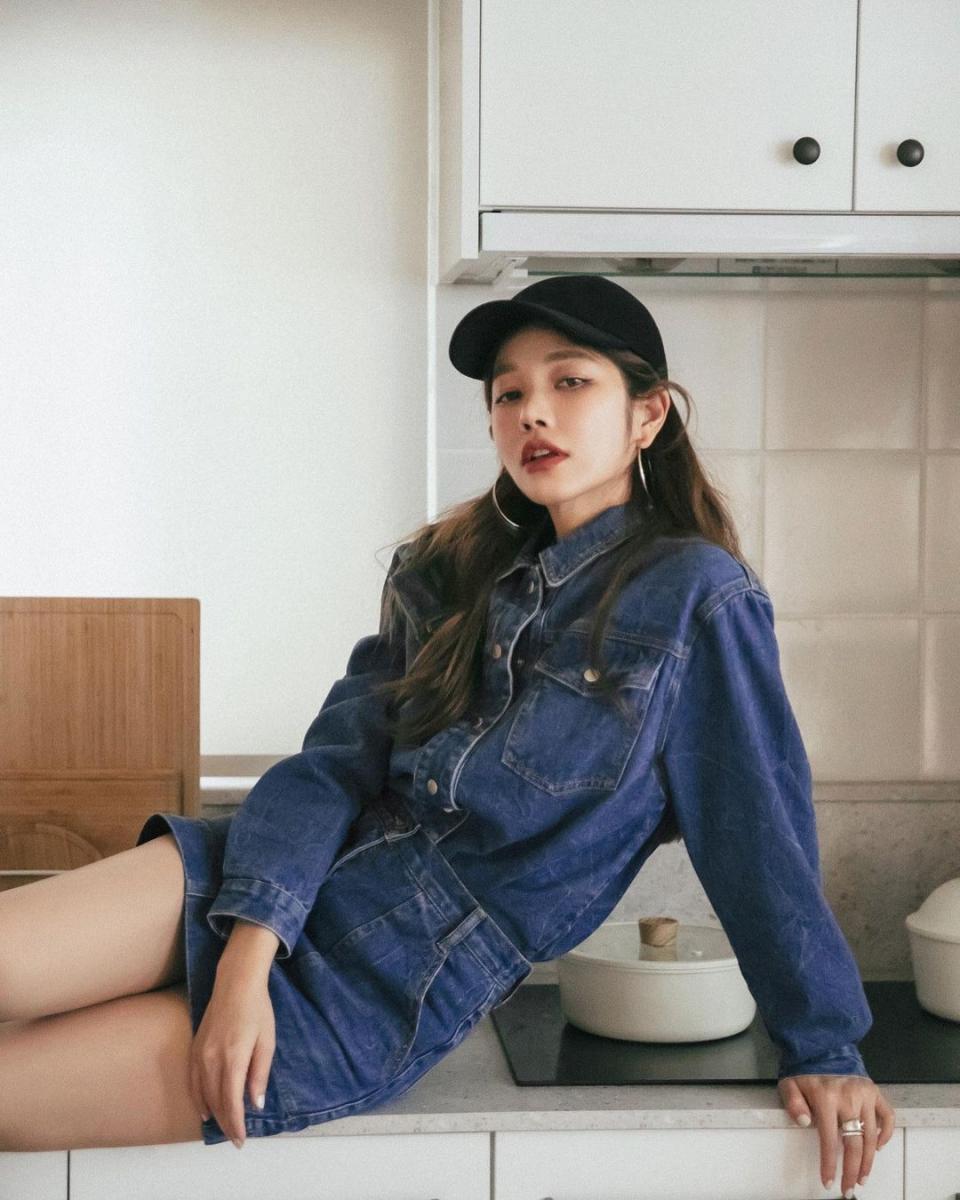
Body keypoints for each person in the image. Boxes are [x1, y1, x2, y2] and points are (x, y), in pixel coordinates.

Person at [0, 274, 894, 1195]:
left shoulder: (696, 599)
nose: (531, 412)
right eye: (509, 394)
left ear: (648, 415)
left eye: (570, 382)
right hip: (264, 876)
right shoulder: (444, 566)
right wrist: (246, 959)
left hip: (380, 983)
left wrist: (824, 1044)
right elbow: (331, 769)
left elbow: (756, 833)